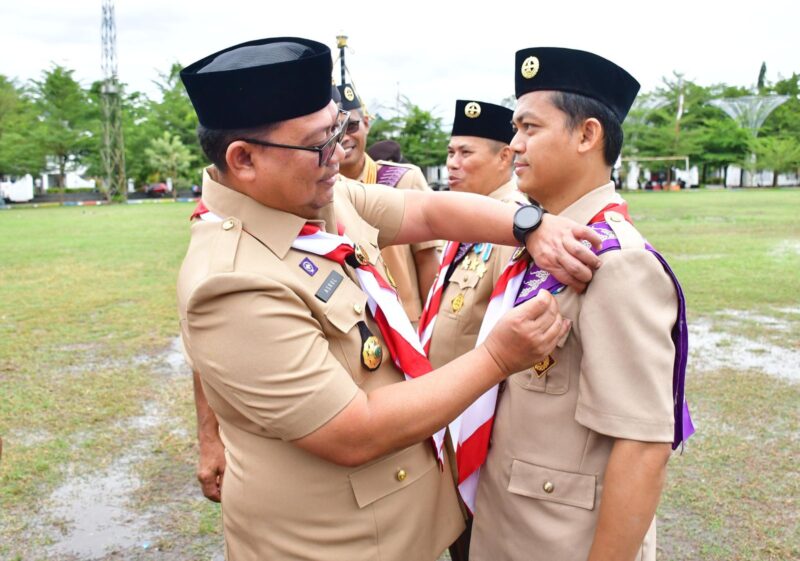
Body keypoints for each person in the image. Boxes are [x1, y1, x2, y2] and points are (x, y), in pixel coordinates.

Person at [176, 36, 603, 561]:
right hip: (338, 544)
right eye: (318, 144)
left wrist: (528, 223)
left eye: (338, 129)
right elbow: (354, 432)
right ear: (242, 160)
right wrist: (496, 356)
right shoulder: (231, 283)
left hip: (403, 522)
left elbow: (424, 213)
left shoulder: (308, 197)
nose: (339, 154)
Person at [468, 47, 694, 561]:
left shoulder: (617, 263)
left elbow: (642, 446)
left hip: (560, 542)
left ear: (587, 135)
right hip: (509, 525)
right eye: (515, 129)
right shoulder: (545, 239)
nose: (515, 145)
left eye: (529, 128)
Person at [418, 99, 525, 561]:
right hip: (446, 419)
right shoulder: (466, 220)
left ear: (505, 158)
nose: (452, 165)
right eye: (449, 153)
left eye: (466, 154)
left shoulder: (517, 226)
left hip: (478, 432)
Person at [337, 83, 439, 325]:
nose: (344, 136)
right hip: (352, 326)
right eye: (335, 128)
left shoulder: (402, 179)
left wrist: (428, 328)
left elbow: (426, 259)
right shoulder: (319, 192)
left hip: (406, 321)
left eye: (351, 126)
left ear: (367, 124)